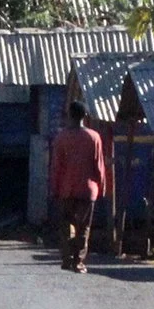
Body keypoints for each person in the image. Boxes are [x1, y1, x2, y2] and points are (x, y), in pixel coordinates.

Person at [48, 101, 111, 273]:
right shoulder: (94, 137)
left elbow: (56, 167)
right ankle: (78, 262)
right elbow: (99, 165)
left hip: (66, 189)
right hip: (87, 190)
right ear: (85, 116)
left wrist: (54, 188)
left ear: (69, 115)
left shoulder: (61, 138)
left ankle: (67, 259)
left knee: (66, 225)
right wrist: (103, 186)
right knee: (84, 227)